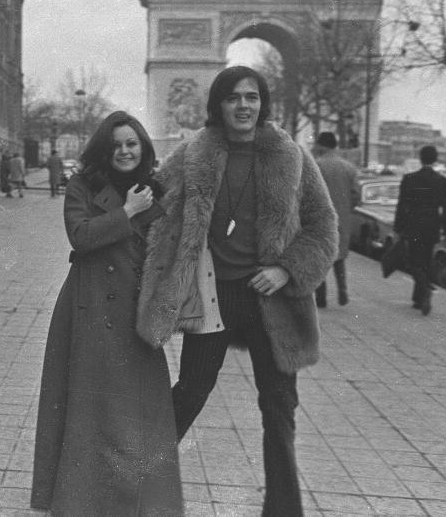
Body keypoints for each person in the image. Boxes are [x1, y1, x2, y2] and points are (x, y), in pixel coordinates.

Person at [137, 66, 338, 517]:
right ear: (218, 106)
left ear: (263, 104)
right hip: (214, 296)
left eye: (252, 97)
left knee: (279, 405)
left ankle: (284, 510)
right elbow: (151, 199)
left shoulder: (294, 157)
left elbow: (324, 229)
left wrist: (287, 270)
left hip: (272, 300)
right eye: (233, 98)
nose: (244, 106)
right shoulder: (194, 153)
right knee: (190, 391)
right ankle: (135, 486)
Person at [31, 111, 183, 516]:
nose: (125, 151)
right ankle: (80, 499)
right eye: (116, 145)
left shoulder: (157, 189)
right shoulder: (82, 185)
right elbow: (79, 237)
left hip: (136, 314)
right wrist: (128, 212)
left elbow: (169, 250)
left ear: (144, 147)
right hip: (90, 307)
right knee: (87, 407)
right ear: (104, 149)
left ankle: (137, 501)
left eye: (132, 143)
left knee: (137, 410)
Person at [394, 145, 446, 315]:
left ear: (420, 158)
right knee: (425, 262)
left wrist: (398, 227)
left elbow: (401, 205)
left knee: (413, 262)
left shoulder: (409, 179)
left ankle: (424, 291)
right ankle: (418, 299)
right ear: (435, 160)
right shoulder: (442, 181)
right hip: (432, 227)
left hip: (413, 226)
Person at [313, 132, 360, 307]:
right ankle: (342, 291)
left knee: (320, 258)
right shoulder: (349, 168)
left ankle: (321, 298)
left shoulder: (316, 165)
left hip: (321, 218)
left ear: (322, 145)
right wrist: (347, 208)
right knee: (339, 257)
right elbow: (356, 194)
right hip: (343, 218)